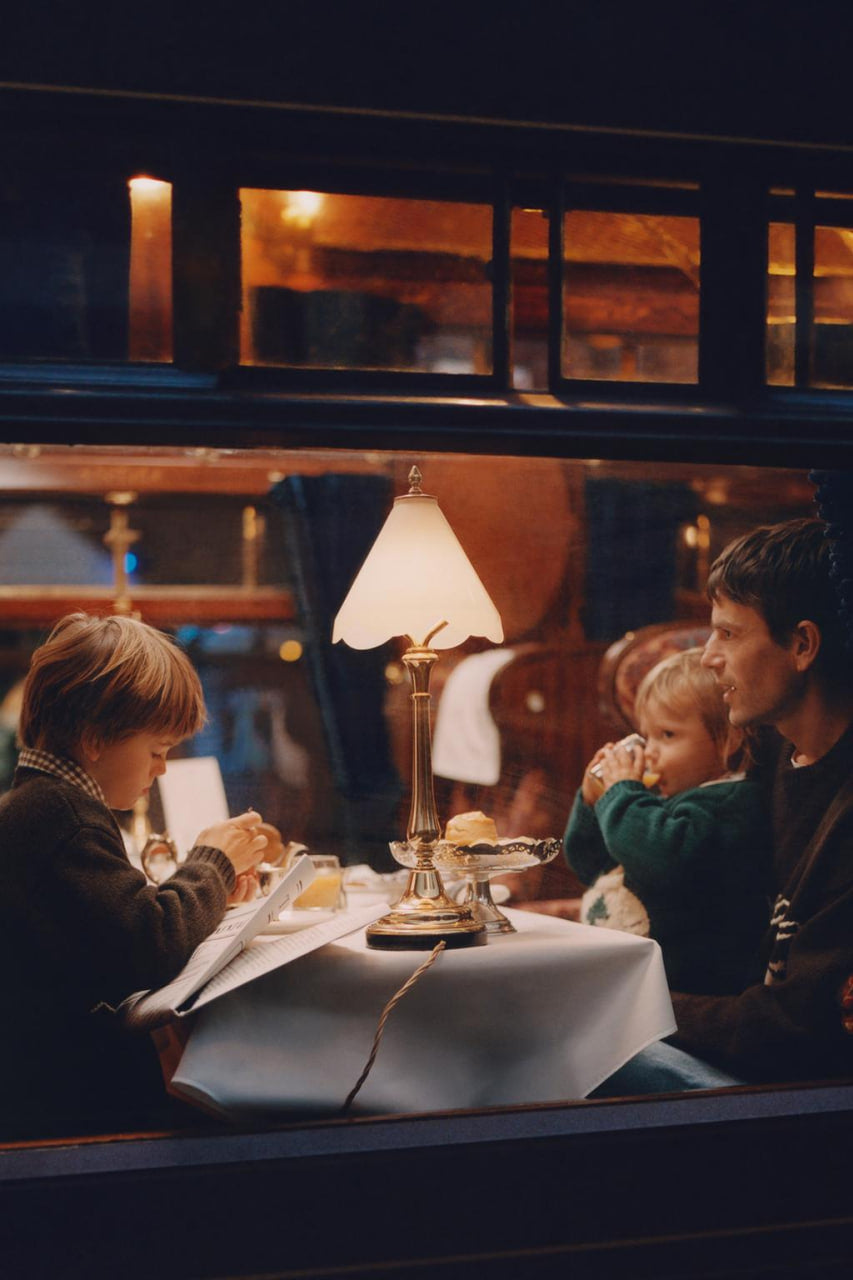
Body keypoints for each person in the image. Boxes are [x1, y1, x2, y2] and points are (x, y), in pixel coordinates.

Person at [599, 516, 853, 1094]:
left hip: (800, 1094)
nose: (708, 657)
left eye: (729, 635)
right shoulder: (770, 753)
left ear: (803, 645)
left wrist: (634, 1002)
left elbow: (794, 1029)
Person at [0, 612, 272, 1139]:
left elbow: (111, 924)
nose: (162, 768)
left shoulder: (44, 807)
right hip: (67, 1113)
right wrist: (212, 863)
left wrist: (213, 892)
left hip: (53, 1091)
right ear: (94, 738)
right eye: (157, 750)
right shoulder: (62, 818)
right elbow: (150, 941)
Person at [564, 648, 771, 994]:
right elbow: (593, 866)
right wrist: (592, 801)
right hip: (632, 984)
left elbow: (664, 858)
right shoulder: (658, 803)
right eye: (647, 736)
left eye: (668, 735)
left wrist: (622, 795)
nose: (650, 752)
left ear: (730, 737)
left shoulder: (731, 804)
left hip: (692, 993)